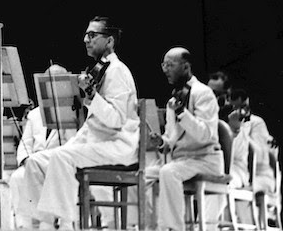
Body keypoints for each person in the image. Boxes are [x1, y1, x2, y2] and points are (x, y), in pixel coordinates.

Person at [14, 17, 139, 227]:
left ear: (109, 41)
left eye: (92, 35)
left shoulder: (117, 70)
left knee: (62, 156)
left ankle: (65, 223)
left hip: (117, 145)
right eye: (86, 35)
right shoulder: (103, 69)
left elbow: (116, 120)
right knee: (36, 161)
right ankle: (39, 224)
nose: (85, 39)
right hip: (95, 142)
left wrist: (90, 93)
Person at [145, 47, 222, 231]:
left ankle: (173, 228)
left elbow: (205, 135)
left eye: (170, 65)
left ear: (186, 67)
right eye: (163, 65)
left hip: (205, 159)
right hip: (184, 161)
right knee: (144, 175)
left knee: (169, 172)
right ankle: (147, 226)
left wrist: (181, 112)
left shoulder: (203, 93)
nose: (165, 69)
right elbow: (173, 138)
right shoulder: (175, 99)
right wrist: (162, 142)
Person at [9, 65, 78, 228]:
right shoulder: (34, 115)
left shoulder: (73, 111)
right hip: (34, 163)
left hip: (58, 163)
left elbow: (72, 145)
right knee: (17, 176)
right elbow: (25, 144)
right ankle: (23, 225)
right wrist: (26, 161)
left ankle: (49, 223)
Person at [227, 88, 276, 196]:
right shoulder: (226, 122)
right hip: (231, 167)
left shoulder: (256, 122)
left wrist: (237, 130)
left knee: (226, 183)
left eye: (241, 107)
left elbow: (258, 154)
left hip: (256, 174)